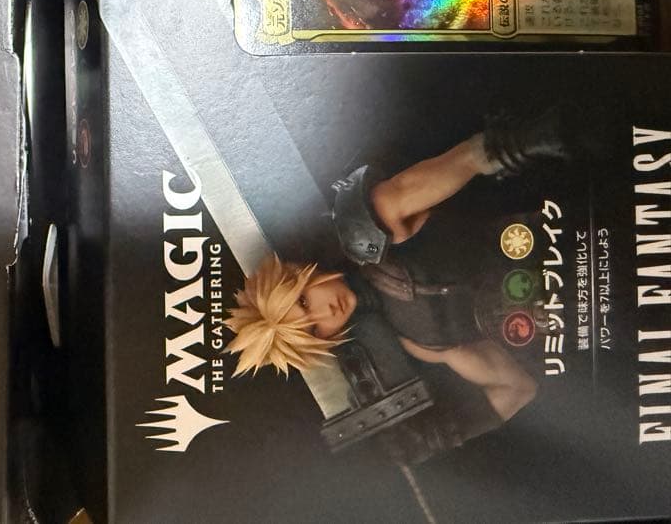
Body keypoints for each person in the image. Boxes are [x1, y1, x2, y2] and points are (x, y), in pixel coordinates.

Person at [226, 110, 570, 461]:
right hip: (583, 306)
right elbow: (517, 388)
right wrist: (443, 433)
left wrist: (546, 134)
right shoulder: (420, 340)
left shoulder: (376, 227)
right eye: (313, 328)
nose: (325, 311)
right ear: (322, 342)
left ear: (300, 272)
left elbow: (469, 158)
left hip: (565, 222)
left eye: (303, 302)